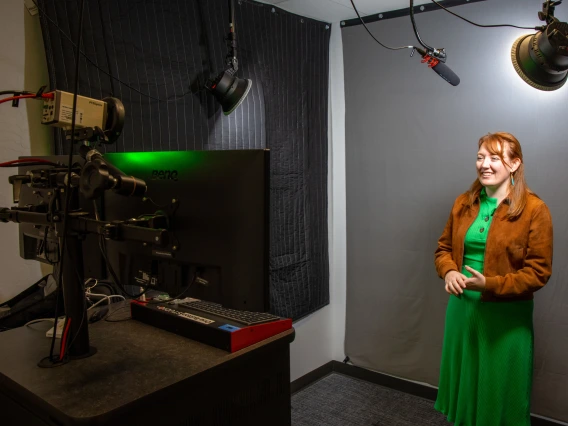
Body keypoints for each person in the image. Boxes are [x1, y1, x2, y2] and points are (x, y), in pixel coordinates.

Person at [434, 132, 553, 426]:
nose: (484, 164)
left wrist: (490, 284)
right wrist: (449, 271)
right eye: (480, 157)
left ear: (514, 164)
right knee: (468, 388)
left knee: (499, 394)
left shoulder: (535, 210)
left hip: (505, 319)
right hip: (462, 312)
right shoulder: (464, 202)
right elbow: (443, 248)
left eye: (494, 158)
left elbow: (538, 272)